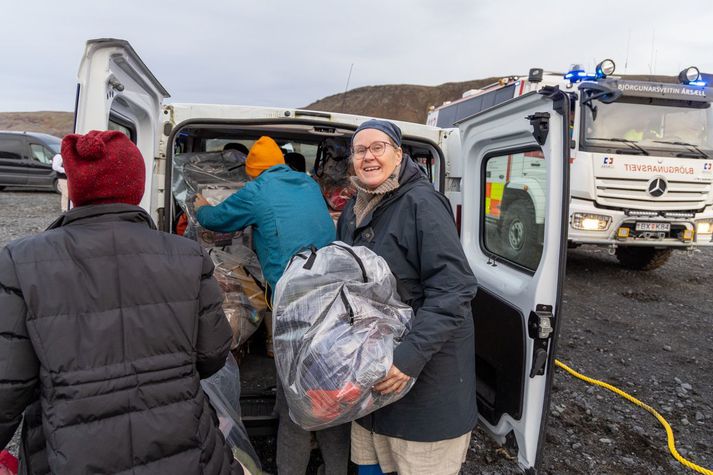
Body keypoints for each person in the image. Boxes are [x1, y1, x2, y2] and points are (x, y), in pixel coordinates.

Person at [0, 130, 246, 474]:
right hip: (184, 445)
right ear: (138, 187)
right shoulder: (188, 255)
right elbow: (212, 354)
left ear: (74, 187)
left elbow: (8, 385)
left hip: (69, 452)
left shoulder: (20, 260)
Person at [194, 136, 350, 475]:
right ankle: (335, 465)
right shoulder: (308, 185)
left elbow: (216, 219)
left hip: (294, 304)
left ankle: (291, 466)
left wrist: (199, 204)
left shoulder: (259, 189)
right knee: (325, 389)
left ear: (254, 172)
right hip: (329, 296)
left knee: (301, 402)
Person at [336, 119, 478, 475]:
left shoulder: (421, 203)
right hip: (374, 380)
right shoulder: (355, 210)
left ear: (399, 154)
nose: (368, 157)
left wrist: (407, 359)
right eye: (360, 150)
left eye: (378, 147)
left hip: (424, 383)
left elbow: (455, 288)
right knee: (368, 468)